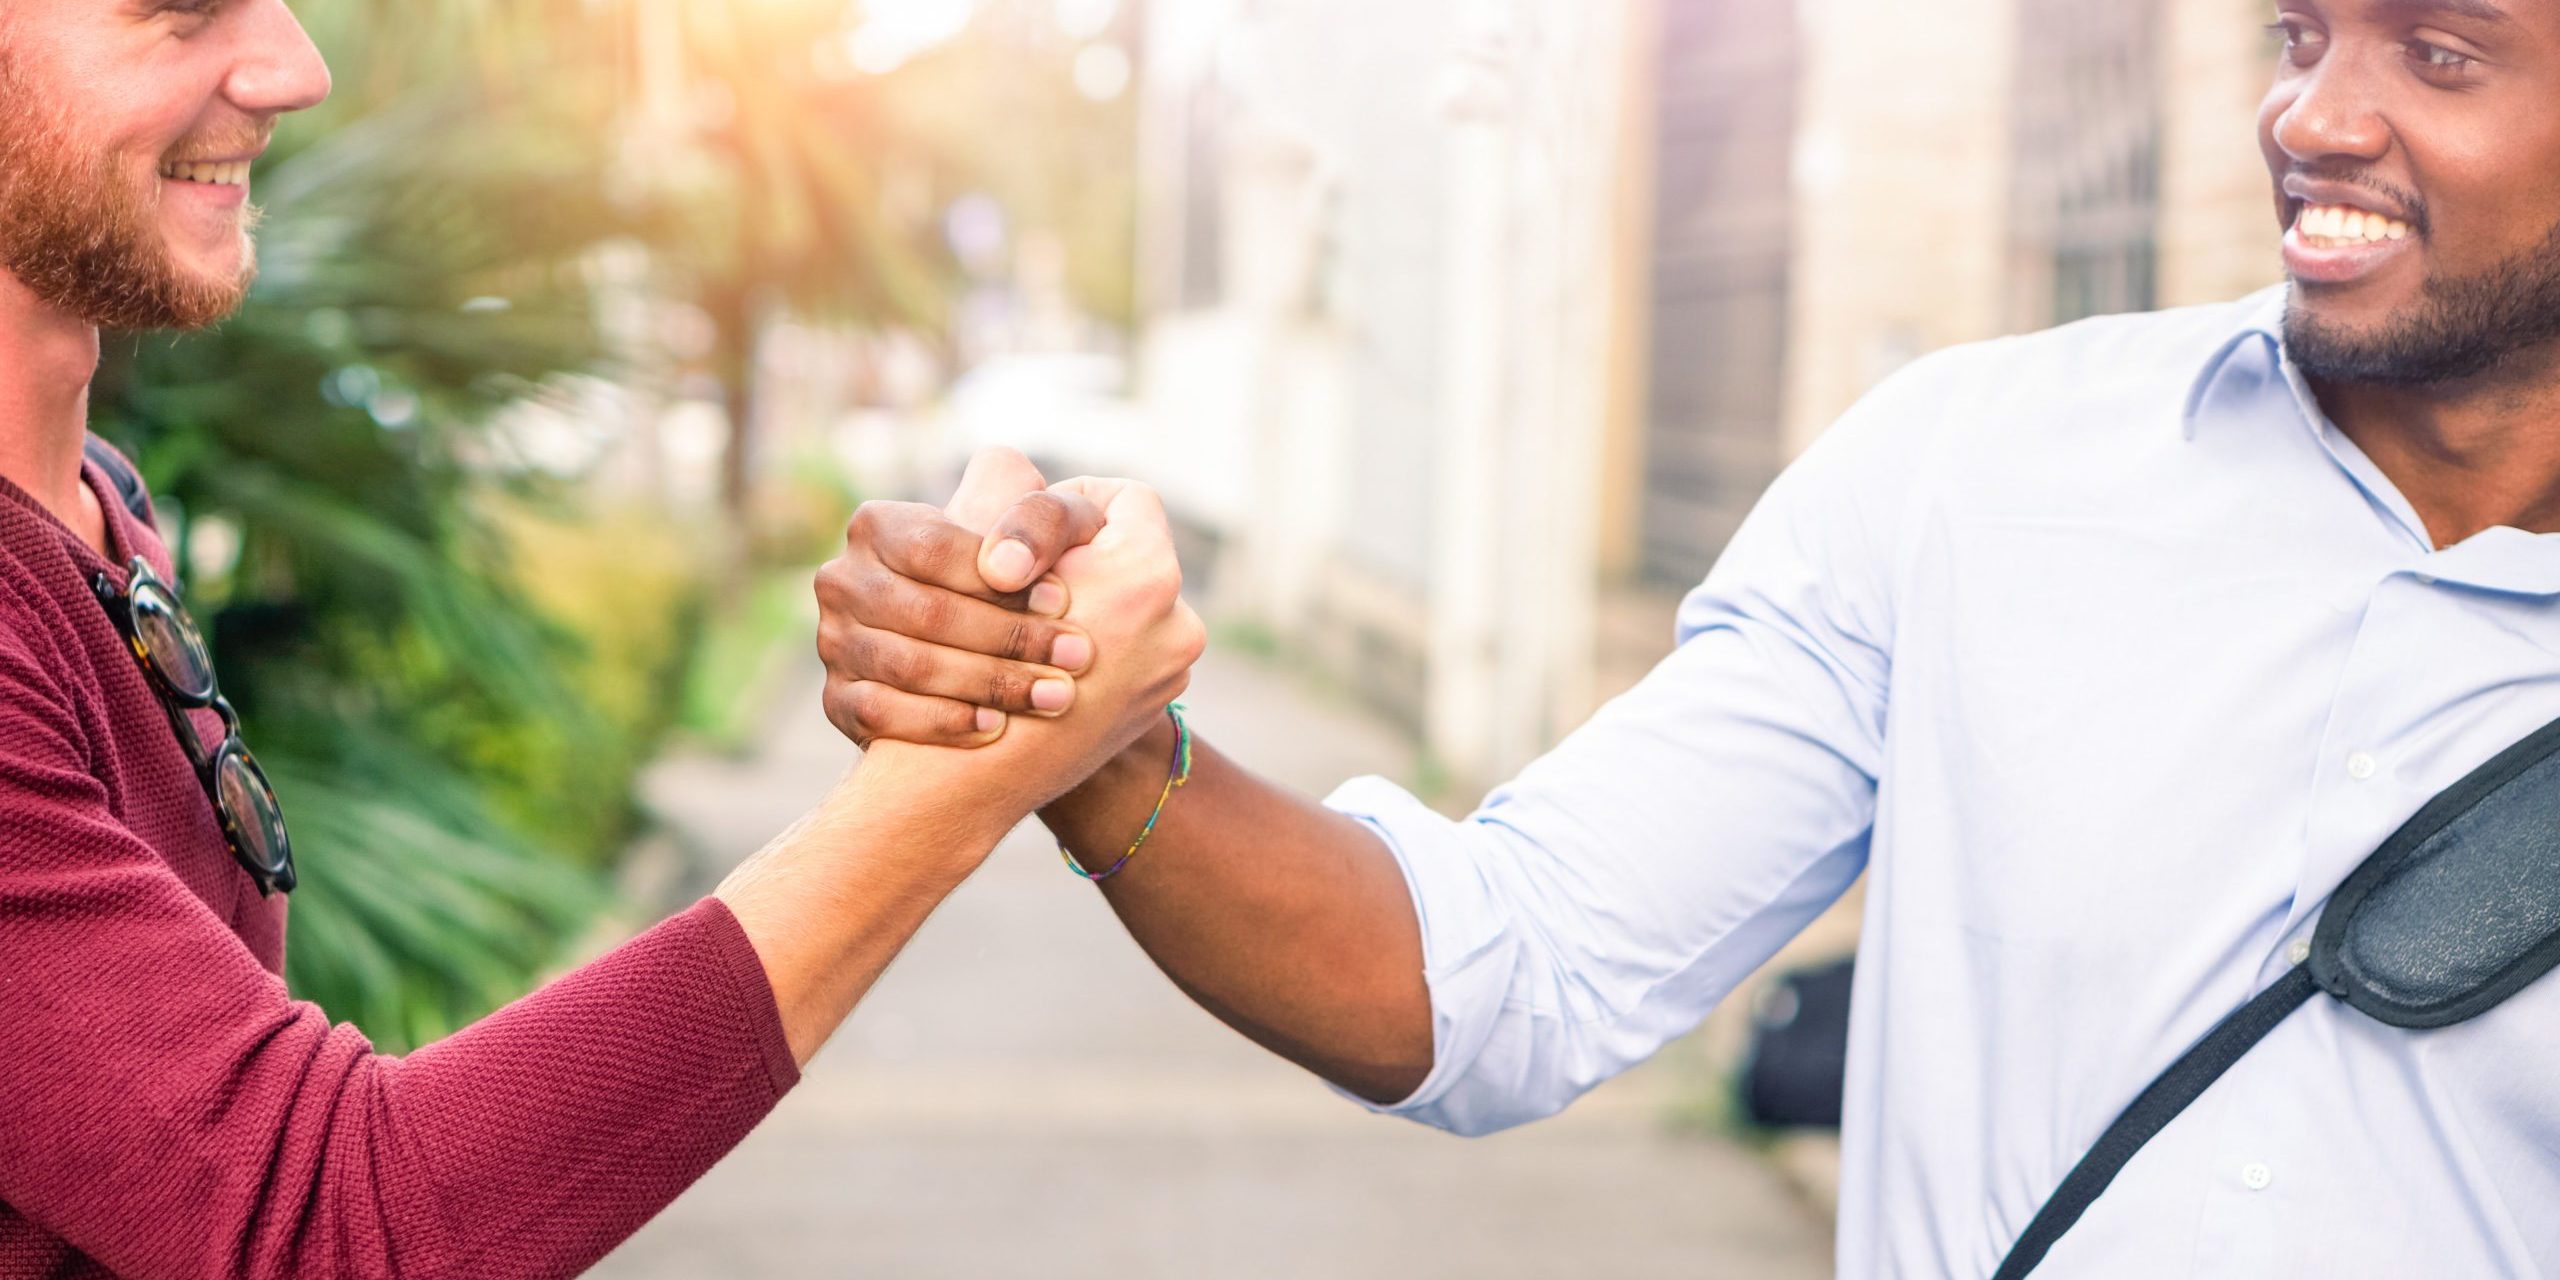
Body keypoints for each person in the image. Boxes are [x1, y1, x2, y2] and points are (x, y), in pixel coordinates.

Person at [818, 1, 2560, 1273]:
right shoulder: (1975, 473)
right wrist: (1085, 725)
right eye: (2299, 35)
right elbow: (1501, 974)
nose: (2316, 117)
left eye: (2442, 56)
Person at [0, 2, 1204, 1276]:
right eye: (179, 7)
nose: (295, 69)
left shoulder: (97, 506)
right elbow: (333, 1220)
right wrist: (962, 776)